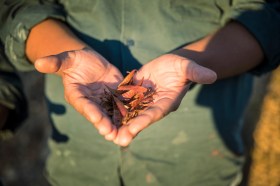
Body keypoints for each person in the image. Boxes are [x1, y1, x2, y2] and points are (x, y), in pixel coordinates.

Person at [0, 0, 279, 185]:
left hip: (193, 166)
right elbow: (20, 9)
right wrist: (65, 56)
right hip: (76, 166)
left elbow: (266, 17)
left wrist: (193, 61)